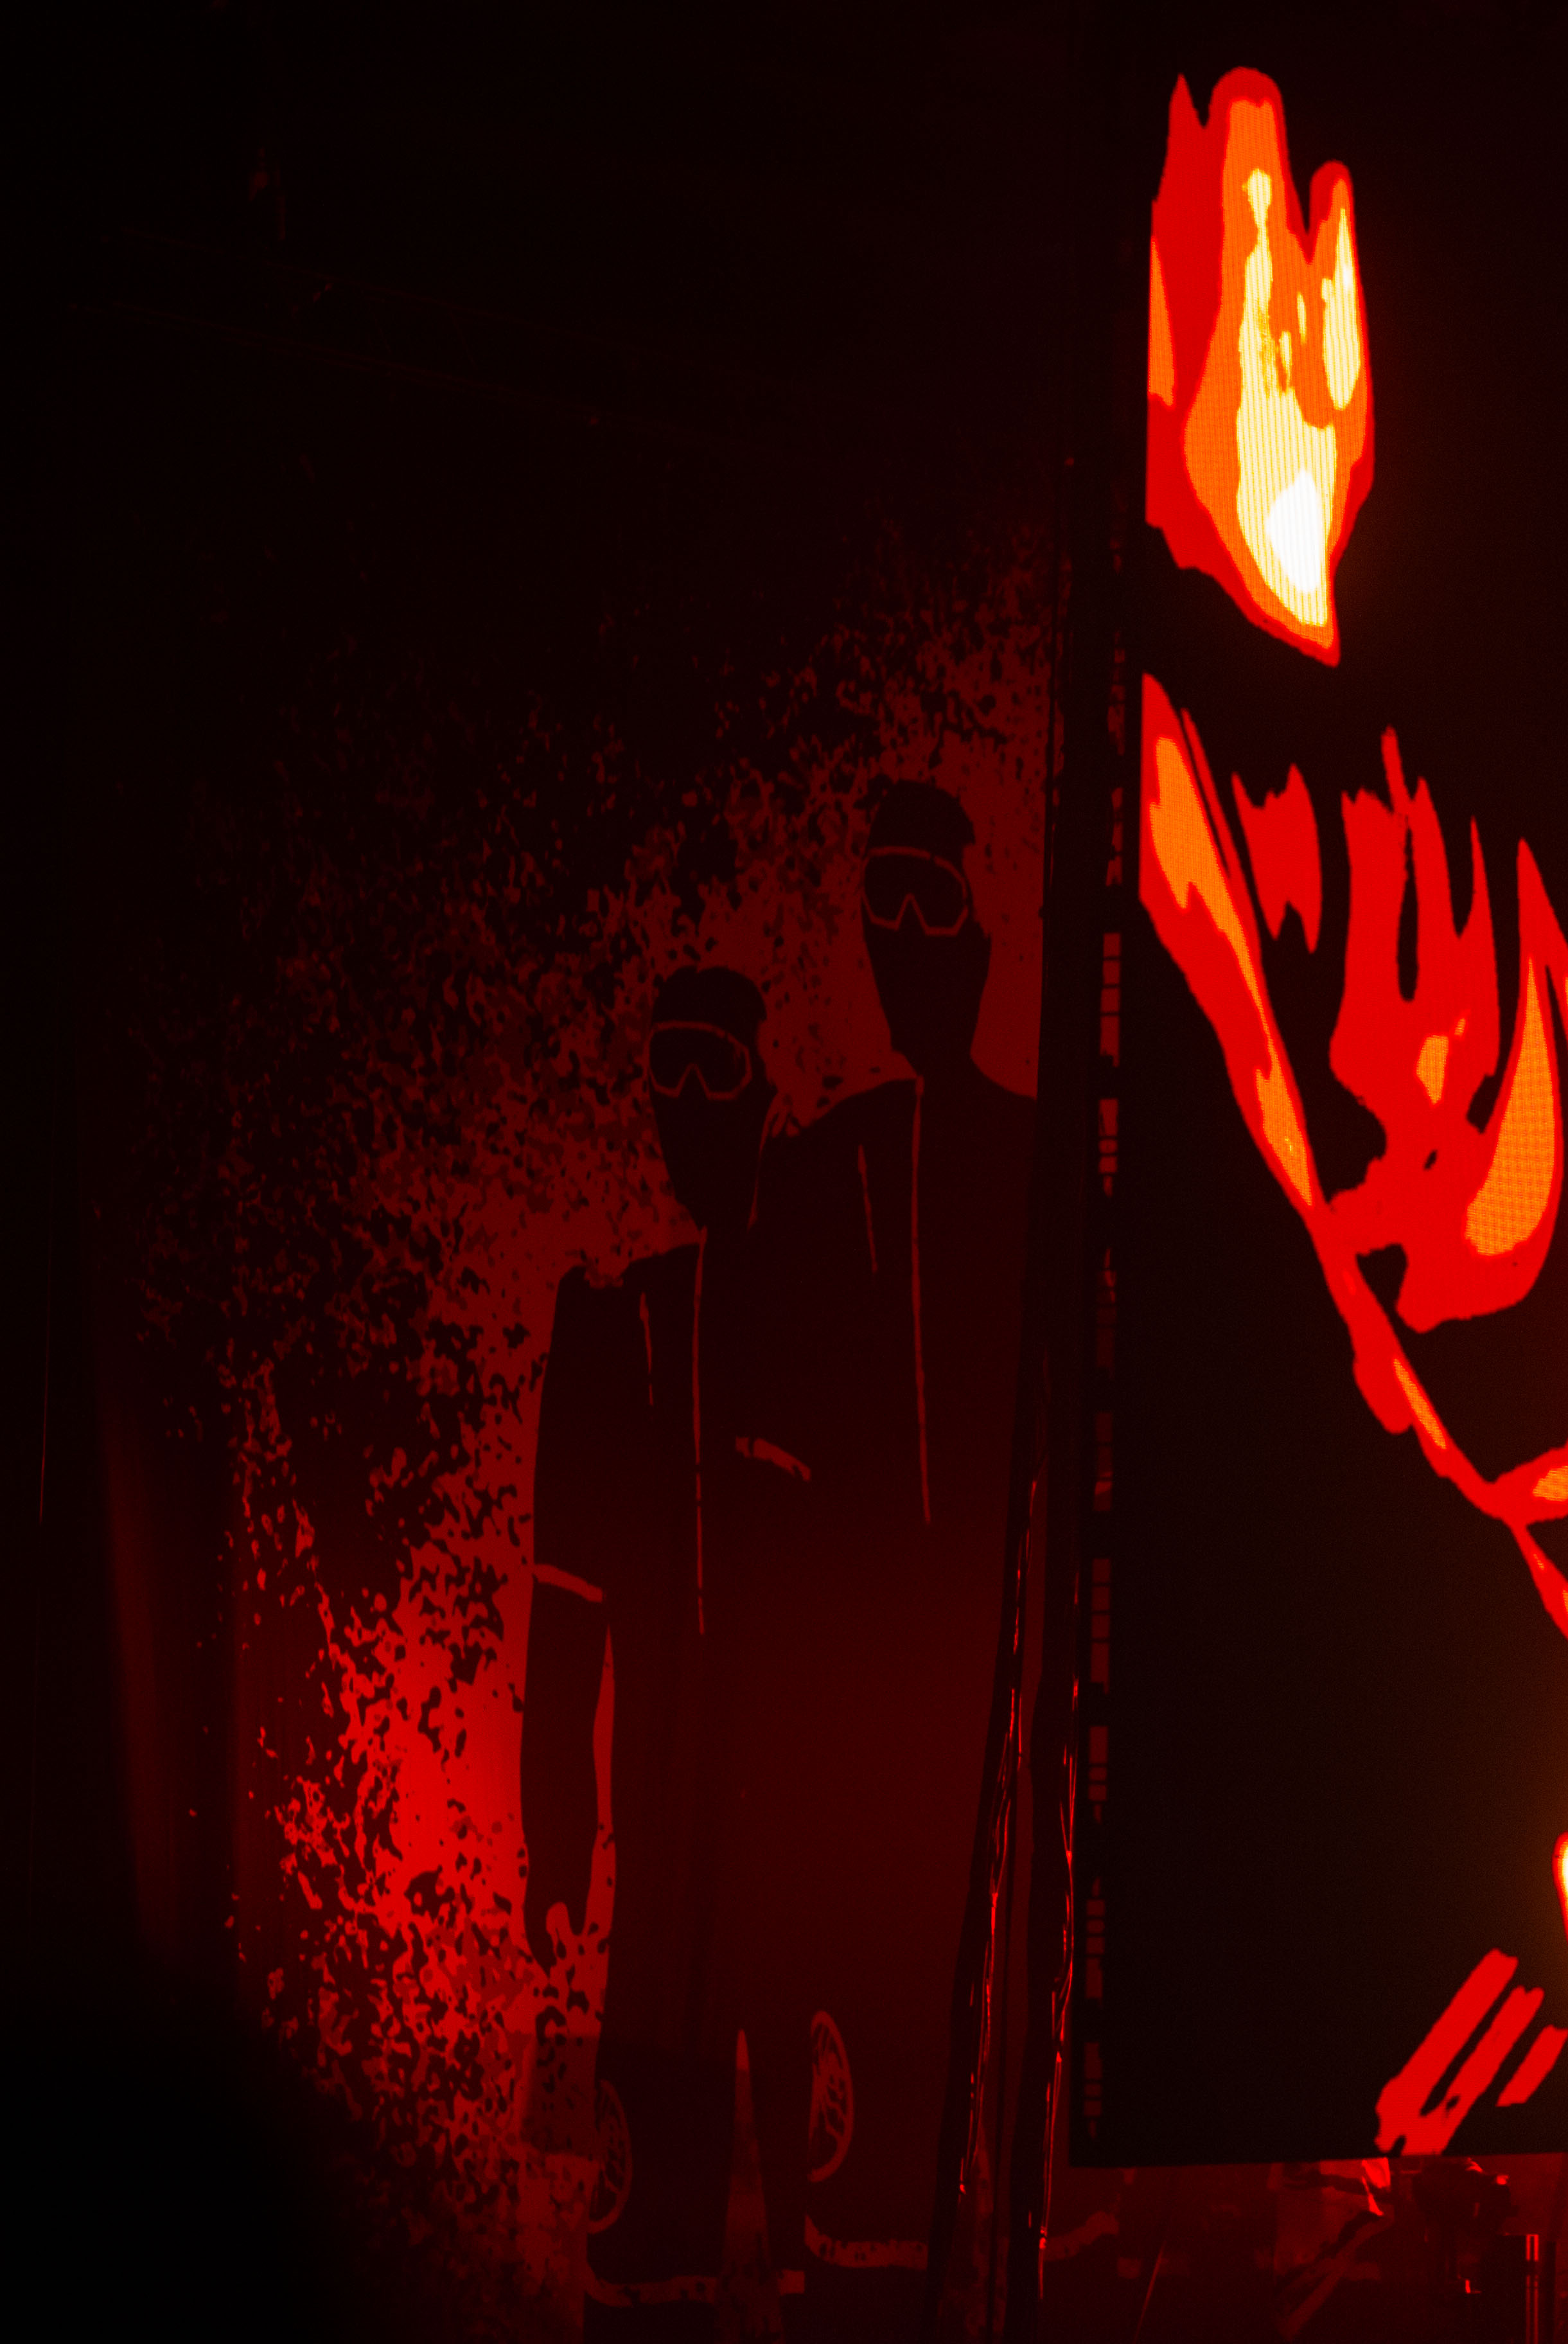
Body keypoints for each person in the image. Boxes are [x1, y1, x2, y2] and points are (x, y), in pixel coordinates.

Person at [703, 781, 1035, 2331]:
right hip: (862, 1718)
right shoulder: (818, 1171)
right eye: (881, 908)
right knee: (861, 2087)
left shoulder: (1035, 1161)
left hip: (996, 1689)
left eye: (933, 906)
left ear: (978, 941)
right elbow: (767, 1471)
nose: (907, 939)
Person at [522, 965, 816, 2336]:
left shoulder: (810, 1307)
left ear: (761, 1095)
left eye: (720, 1070)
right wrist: (556, 1828)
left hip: (800, 1842)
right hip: (657, 1843)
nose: (693, 1102)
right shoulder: (607, 1320)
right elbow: (567, 1598)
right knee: (646, 2225)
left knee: (829, 2216)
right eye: (670, 1072)